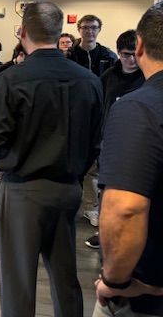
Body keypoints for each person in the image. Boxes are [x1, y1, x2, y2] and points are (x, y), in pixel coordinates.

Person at [0, 2, 103, 317]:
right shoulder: (89, 80)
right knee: (65, 276)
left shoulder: (12, 78)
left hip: (22, 192)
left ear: (22, 33)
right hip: (68, 190)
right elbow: (95, 142)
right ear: (61, 34)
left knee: (18, 282)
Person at [93, 4, 163, 317]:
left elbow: (125, 208)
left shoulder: (138, 108)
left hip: (144, 295)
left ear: (138, 44)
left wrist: (115, 281)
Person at [85, 29, 146, 249]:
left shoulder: (149, 78)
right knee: (107, 192)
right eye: (125, 54)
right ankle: (105, 233)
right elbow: (97, 109)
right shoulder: (108, 78)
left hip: (140, 145)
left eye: (134, 54)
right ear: (118, 52)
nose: (130, 60)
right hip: (109, 143)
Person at [70, 15, 117, 229]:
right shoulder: (70, 55)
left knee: (94, 165)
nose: (89, 31)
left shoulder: (108, 55)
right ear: (79, 29)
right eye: (85, 27)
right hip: (75, 116)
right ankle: (71, 203)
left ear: (99, 29)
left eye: (94, 28)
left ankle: (91, 206)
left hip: (100, 116)